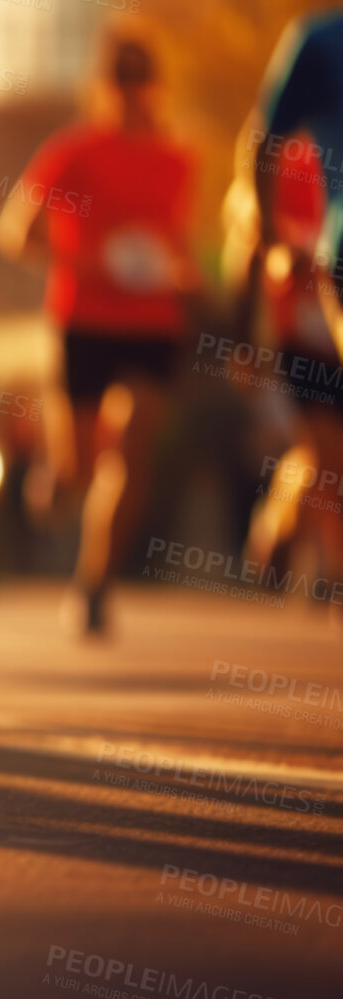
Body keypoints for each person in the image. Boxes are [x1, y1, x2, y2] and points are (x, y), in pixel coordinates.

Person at [0, 34, 199, 639]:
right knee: (83, 466)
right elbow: (18, 234)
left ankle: (95, 582)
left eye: (141, 81)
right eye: (121, 82)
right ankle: (56, 472)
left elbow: (177, 240)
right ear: (103, 88)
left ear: (155, 86)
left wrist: (181, 274)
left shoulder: (179, 158)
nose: (132, 95)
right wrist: (83, 260)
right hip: (83, 319)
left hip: (152, 324)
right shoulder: (72, 153)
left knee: (133, 450)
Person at [238, 11, 343, 619]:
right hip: (301, 331)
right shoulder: (320, 45)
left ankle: (302, 541)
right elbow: (250, 243)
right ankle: (330, 567)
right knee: (326, 449)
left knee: (328, 456)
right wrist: (246, 331)